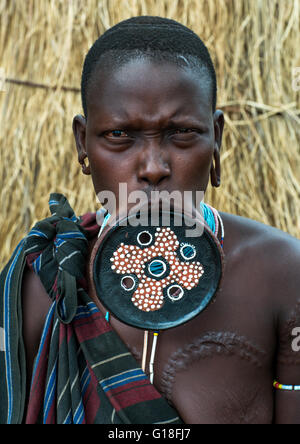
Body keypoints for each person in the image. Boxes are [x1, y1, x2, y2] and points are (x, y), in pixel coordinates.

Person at [1, 15, 300, 425]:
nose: (154, 167)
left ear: (216, 141)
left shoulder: (282, 273)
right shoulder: (43, 282)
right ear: (82, 144)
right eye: (120, 136)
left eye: (182, 133)